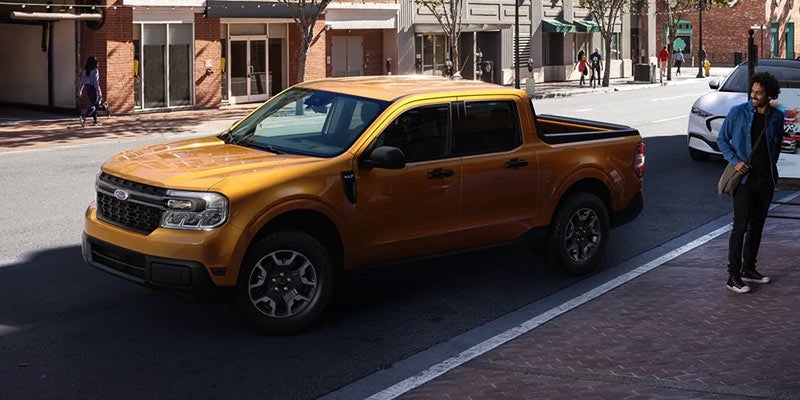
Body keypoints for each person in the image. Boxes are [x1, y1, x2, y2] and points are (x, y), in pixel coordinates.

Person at [716, 72, 785, 294]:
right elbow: (722, 139)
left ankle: (749, 269)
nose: (754, 96)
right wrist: (736, 162)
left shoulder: (776, 116)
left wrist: (771, 170)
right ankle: (733, 276)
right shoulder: (738, 113)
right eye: (753, 92)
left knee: (758, 226)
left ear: (770, 95)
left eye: (759, 93)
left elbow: (776, 145)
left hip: (765, 180)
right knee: (740, 226)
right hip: (744, 180)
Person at [77, 55, 103, 127]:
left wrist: (80, 90)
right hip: (93, 89)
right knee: (95, 105)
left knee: (93, 103)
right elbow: (96, 83)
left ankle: (95, 121)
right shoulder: (95, 71)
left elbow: (82, 80)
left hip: (87, 88)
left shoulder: (85, 70)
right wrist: (99, 91)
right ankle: (84, 116)